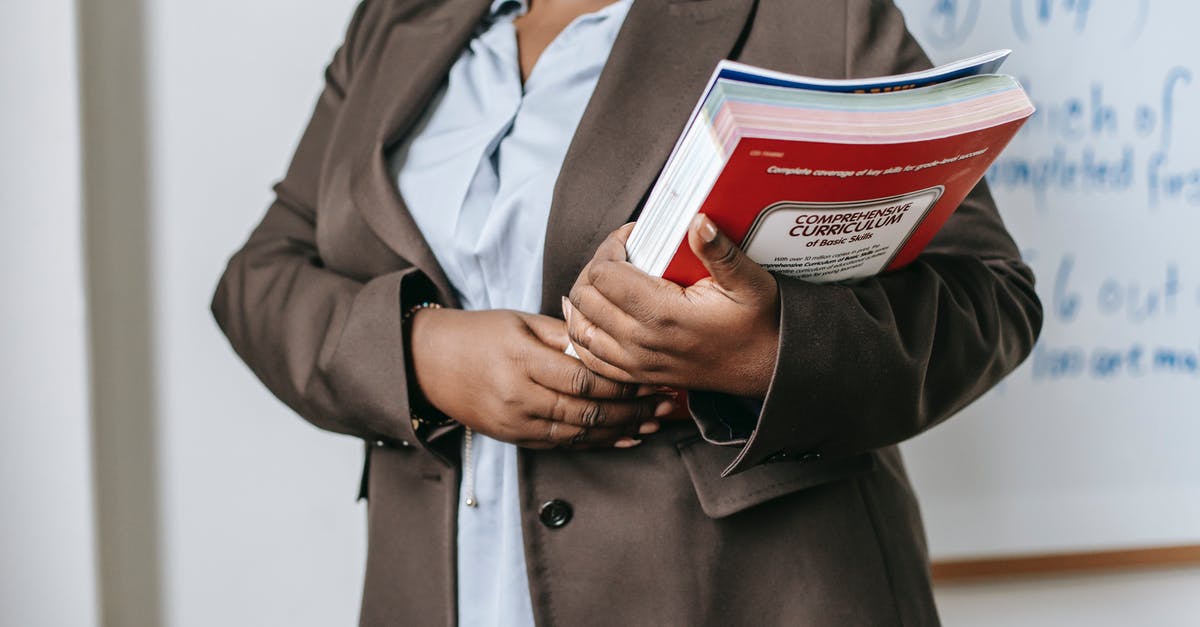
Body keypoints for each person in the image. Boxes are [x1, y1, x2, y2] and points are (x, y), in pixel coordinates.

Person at [209, 0, 1043, 625]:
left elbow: (991, 295)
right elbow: (259, 278)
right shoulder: (397, 19)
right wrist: (423, 355)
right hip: (437, 589)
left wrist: (764, 349)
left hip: (748, 592)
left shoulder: (814, 11)